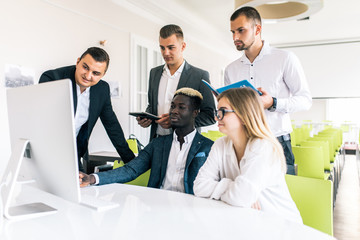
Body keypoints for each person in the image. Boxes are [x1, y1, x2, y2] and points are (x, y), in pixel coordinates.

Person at [224, 7, 312, 175]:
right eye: (233, 32)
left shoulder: (285, 58)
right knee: (246, 198)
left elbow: (305, 100)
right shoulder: (230, 70)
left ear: (257, 29)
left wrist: (273, 103)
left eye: (241, 30)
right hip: (244, 142)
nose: (235, 37)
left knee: (280, 199)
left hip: (276, 142)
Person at [193, 88, 302, 223]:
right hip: (247, 221)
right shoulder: (220, 144)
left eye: (223, 112)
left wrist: (234, 193)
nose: (216, 117)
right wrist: (231, 186)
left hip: (281, 227)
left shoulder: (262, 146)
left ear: (244, 115)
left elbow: (241, 197)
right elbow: (199, 186)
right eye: (217, 112)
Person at [80, 88, 214, 195]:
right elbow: (131, 170)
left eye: (181, 107)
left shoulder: (208, 147)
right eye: (172, 106)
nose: (174, 111)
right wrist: (92, 178)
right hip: (157, 207)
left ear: (195, 112)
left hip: (190, 210)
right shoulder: (157, 144)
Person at [39, 47, 135, 172]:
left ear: (103, 75)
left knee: (82, 188)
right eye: (85, 67)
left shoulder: (102, 89)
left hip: (73, 153)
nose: (88, 76)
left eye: (96, 73)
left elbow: (112, 125)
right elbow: (42, 120)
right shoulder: (52, 78)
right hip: (44, 151)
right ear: (78, 62)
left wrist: (132, 162)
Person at [137, 24, 216, 140]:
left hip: (185, 143)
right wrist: (147, 118)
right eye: (162, 48)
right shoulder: (154, 73)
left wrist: (178, 121)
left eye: (171, 47)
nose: (165, 53)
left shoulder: (199, 76)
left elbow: (210, 116)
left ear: (183, 46)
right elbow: (152, 106)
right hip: (156, 141)